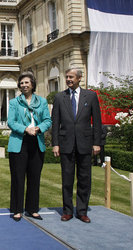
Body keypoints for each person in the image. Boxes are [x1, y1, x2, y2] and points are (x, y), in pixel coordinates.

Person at [52, 68, 102, 223]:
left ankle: (82, 211)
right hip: (66, 144)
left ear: (80, 78)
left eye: (71, 77)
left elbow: (97, 122)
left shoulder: (91, 96)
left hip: (85, 144)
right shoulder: (60, 97)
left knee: (84, 179)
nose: (68, 79)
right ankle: (67, 211)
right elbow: (55, 123)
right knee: (67, 179)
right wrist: (55, 144)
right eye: (66, 77)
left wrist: (96, 143)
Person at [7, 72, 51, 222]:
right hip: (20, 142)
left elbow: (47, 120)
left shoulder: (42, 102)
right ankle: (17, 210)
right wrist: (26, 129)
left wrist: (38, 128)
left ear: (32, 84)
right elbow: (11, 122)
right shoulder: (14, 102)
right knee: (18, 178)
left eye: (27, 82)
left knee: (34, 178)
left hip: (36, 142)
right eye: (21, 83)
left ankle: (32, 209)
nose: (24, 85)